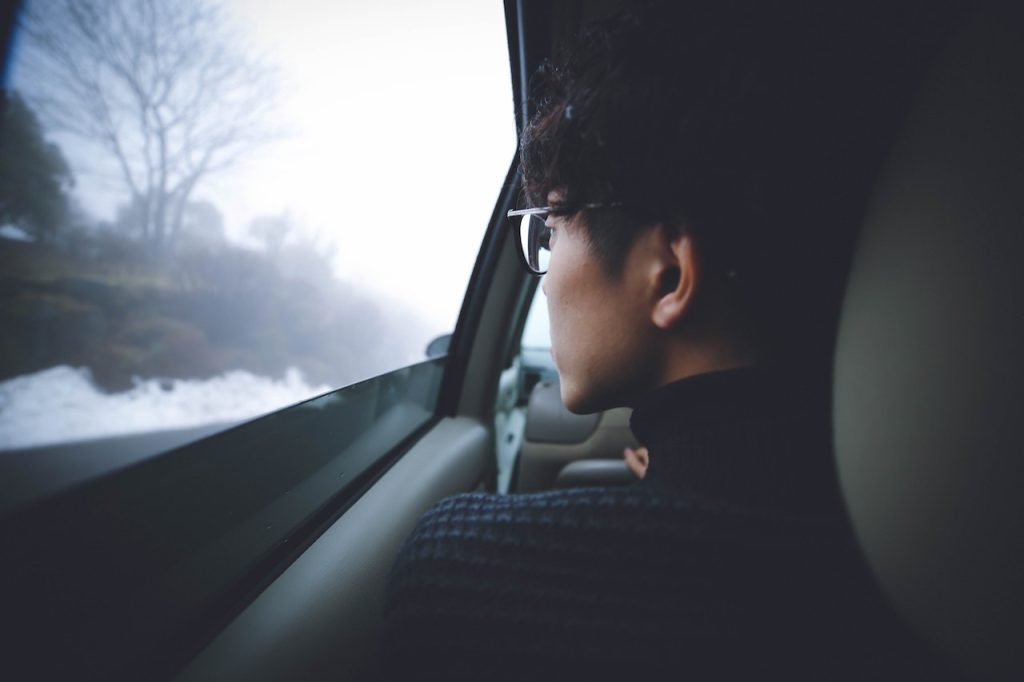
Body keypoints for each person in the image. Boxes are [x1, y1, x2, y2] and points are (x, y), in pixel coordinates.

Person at [380, 2, 963, 680]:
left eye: (557, 220)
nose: (543, 273)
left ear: (670, 274)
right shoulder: (947, 570)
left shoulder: (461, 579)